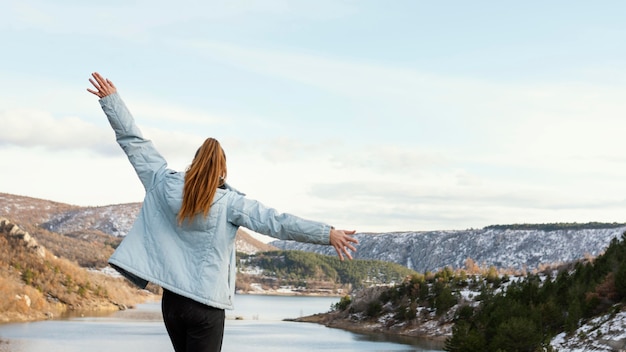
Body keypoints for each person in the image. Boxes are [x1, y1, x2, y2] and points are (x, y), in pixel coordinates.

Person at [86, 72, 358, 352]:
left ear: (194, 161)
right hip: (205, 305)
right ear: (223, 170)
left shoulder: (162, 180)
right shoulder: (231, 203)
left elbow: (134, 142)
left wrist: (112, 101)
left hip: (173, 303)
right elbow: (279, 223)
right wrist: (327, 234)